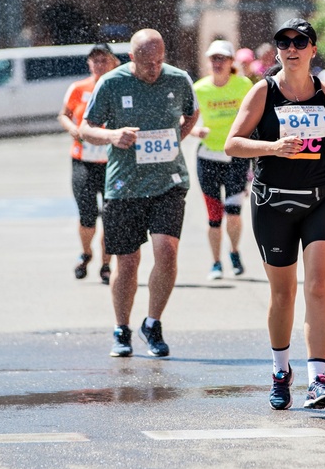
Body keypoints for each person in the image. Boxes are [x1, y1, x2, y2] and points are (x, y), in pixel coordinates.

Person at [224, 18, 325, 411]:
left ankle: (319, 379)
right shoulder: (262, 92)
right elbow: (233, 144)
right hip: (273, 203)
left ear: (313, 50)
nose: (292, 48)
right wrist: (273, 148)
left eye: (301, 42)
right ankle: (281, 372)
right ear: (278, 50)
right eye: (284, 42)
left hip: (322, 198)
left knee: (318, 286)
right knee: (283, 294)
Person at [80, 29, 200, 358]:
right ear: (132, 58)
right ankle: (122, 328)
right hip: (124, 186)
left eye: (160, 60)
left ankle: (153, 323)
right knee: (128, 262)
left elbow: (192, 112)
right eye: (147, 63)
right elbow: (85, 128)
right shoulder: (112, 83)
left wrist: (178, 137)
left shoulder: (178, 79)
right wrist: (114, 135)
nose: (154, 68)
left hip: (168, 182)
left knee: (167, 253)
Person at [191, 40, 254, 280]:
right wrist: (196, 131)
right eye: (214, 59)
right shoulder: (199, 89)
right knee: (215, 217)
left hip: (236, 156)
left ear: (231, 62)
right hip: (208, 157)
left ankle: (234, 251)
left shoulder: (243, 85)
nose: (218, 63)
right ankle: (216, 263)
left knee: (234, 213)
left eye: (222, 59)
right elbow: (182, 118)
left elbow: (255, 116)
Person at [58, 43, 120, 285]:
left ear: (113, 61)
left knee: (110, 215)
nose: (99, 65)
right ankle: (86, 253)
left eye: (103, 60)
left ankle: (106, 264)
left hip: (111, 162)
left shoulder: (118, 86)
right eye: (94, 60)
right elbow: (63, 114)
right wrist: (73, 128)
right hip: (83, 161)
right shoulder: (78, 88)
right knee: (87, 214)